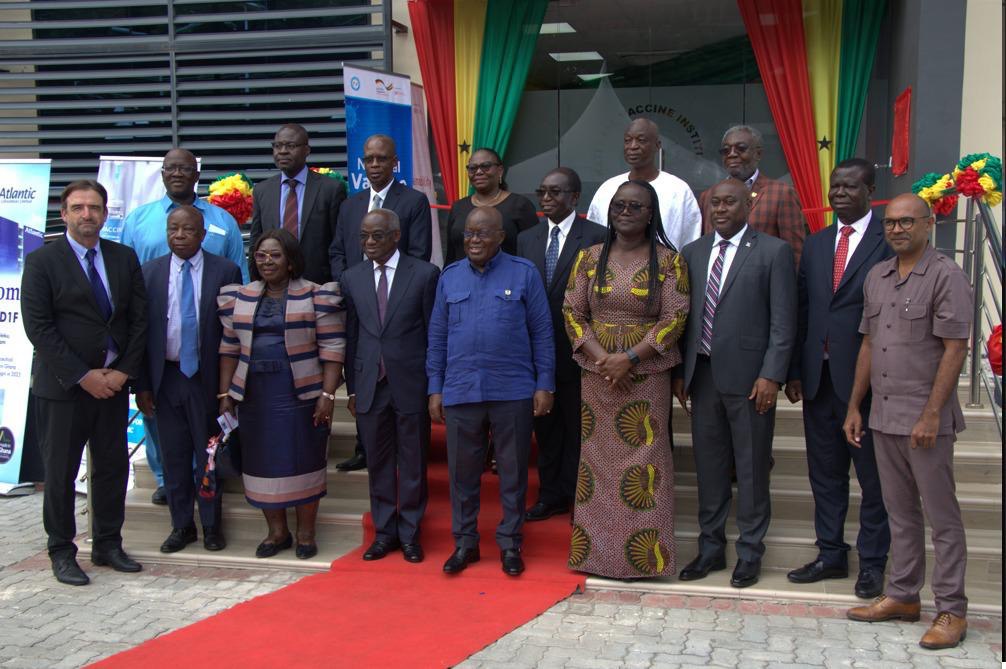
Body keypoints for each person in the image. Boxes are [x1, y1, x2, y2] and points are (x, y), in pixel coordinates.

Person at [844, 193, 973, 650]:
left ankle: (951, 609)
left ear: (928, 223)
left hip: (925, 420)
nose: (897, 230)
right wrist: (855, 406)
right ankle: (902, 595)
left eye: (906, 222)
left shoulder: (946, 276)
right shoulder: (877, 276)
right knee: (899, 513)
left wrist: (933, 413)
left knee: (942, 517)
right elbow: (867, 345)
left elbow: (955, 350)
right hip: (884, 416)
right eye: (890, 224)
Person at [21, 180, 147, 586]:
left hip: (112, 386)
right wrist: (83, 375)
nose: (87, 215)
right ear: (64, 213)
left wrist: (123, 371)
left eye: (94, 208)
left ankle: (109, 543)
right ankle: (61, 551)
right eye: (78, 208)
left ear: (106, 213)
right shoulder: (43, 261)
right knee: (60, 472)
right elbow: (38, 328)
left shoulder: (123, 258)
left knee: (112, 467)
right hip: (64, 390)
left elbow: (138, 320)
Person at [672, 178, 796, 589]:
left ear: (749, 204)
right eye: (715, 204)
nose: (721, 209)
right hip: (702, 376)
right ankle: (710, 550)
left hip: (750, 380)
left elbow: (783, 321)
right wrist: (680, 373)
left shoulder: (773, 251)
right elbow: (684, 319)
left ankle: (750, 552)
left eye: (730, 202)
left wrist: (771, 375)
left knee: (752, 466)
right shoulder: (692, 252)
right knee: (709, 468)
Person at [563, 180, 690, 578]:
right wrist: (604, 359)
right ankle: (596, 558)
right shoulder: (588, 257)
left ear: (651, 213)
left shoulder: (670, 262)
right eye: (619, 205)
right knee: (596, 467)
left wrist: (630, 358)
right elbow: (572, 312)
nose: (625, 211)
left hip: (646, 378)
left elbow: (675, 318)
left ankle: (644, 561)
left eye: (635, 206)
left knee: (644, 466)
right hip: (597, 377)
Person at [784, 159, 892, 598]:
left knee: (872, 479)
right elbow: (803, 310)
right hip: (818, 378)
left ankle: (872, 563)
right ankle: (830, 553)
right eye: (835, 187)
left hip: (869, 382)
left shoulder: (889, 239)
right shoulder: (816, 243)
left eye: (850, 186)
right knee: (824, 474)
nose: (840, 194)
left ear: (870, 189)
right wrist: (793, 370)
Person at [427, 206, 555, 577]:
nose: (474, 240)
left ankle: (510, 544)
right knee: (462, 474)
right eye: (469, 233)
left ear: (500, 236)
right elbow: (436, 337)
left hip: (512, 389)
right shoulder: (449, 277)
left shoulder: (524, 273)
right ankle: (465, 543)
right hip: (462, 389)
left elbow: (542, 334)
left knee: (513, 474)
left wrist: (544, 383)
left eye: (483, 233)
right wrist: (435, 388)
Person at [120, 148, 249, 505]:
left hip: (210, 348)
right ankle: (166, 478)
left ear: (197, 174)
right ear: (162, 174)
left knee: (209, 421)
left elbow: (241, 280)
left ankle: (207, 474)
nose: (178, 174)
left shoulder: (223, 221)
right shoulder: (137, 221)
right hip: (160, 346)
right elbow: (126, 282)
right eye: (170, 168)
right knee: (159, 419)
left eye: (185, 168)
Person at [217, 229, 345, 559]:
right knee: (262, 463)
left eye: (275, 255)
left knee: (302, 459)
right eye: (261, 256)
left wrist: (327, 396)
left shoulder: (316, 295)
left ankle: (305, 533)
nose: (267, 261)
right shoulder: (240, 296)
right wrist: (225, 393)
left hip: (300, 395)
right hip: (254, 396)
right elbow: (229, 347)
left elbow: (332, 348)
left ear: (290, 261)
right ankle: (277, 533)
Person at [134, 206, 243, 554]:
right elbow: (139, 333)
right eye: (173, 229)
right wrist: (143, 385)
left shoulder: (225, 270)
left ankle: (211, 526)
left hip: (207, 380)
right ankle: (182, 526)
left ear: (202, 233)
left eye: (187, 230)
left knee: (209, 455)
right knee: (175, 457)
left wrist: (229, 388)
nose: (179, 236)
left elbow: (235, 332)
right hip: (166, 378)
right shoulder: (149, 273)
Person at [329, 133, 432, 472]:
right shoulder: (350, 204)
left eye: (382, 159)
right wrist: (351, 286)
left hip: (396, 300)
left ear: (395, 162)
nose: (375, 165)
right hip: (358, 301)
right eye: (369, 159)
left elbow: (419, 253)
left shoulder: (413, 201)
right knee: (363, 369)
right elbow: (338, 251)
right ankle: (363, 447)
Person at [341, 209, 440, 563]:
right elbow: (351, 336)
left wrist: (435, 387)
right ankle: (385, 534)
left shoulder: (425, 274)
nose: (369, 243)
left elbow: (434, 334)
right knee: (379, 463)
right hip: (370, 383)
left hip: (411, 382)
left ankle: (411, 534)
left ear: (396, 236)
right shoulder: (351, 278)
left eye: (377, 236)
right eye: (364, 237)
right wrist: (351, 387)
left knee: (412, 462)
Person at [516, 168, 607, 521]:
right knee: (547, 429)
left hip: (582, 350)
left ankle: (578, 498)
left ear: (574, 197)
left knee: (579, 428)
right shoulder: (528, 238)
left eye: (555, 192)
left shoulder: (597, 236)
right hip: (538, 352)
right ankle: (550, 495)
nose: (546, 198)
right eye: (542, 191)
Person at [250, 123, 347, 284]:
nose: (282, 151)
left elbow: (338, 243)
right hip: (273, 286)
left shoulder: (330, 189)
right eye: (277, 146)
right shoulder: (262, 190)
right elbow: (256, 240)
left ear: (307, 151)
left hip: (317, 285)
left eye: (290, 145)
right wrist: (257, 282)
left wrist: (336, 284)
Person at [586, 118, 701, 253]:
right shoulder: (607, 189)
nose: (633, 146)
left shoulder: (679, 190)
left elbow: (691, 242)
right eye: (628, 140)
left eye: (641, 140)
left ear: (657, 145)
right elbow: (594, 236)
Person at [698, 125, 806, 266]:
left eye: (741, 148)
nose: (732, 154)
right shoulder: (708, 196)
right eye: (726, 150)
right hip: (716, 283)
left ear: (758, 154)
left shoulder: (781, 193)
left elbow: (795, 253)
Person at [445, 148, 539, 263]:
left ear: (500, 171)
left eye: (485, 166)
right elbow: (451, 255)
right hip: (462, 279)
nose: (478, 172)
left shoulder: (520, 205)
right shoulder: (458, 207)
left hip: (509, 278)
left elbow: (533, 252)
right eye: (472, 168)